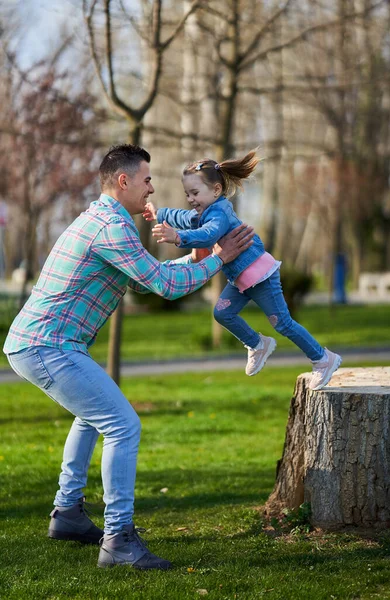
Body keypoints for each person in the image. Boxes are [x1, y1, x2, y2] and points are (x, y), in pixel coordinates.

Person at [3, 144, 254, 571]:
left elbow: (146, 282)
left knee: (93, 415)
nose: (152, 188)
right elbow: (165, 287)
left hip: (44, 343)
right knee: (123, 424)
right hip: (46, 345)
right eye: (147, 180)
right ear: (124, 181)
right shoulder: (111, 227)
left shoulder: (106, 221)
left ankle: (67, 514)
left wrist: (198, 257)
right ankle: (118, 539)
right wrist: (218, 258)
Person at [143, 150, 342, 387]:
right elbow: (186, 218)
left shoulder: (219, 212)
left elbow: (208, 235)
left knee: (283, 323)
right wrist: (160, 214)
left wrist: (178, 238)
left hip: (260, 276)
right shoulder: (204, 212)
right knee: (222, 313)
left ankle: (323, 358)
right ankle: (258, 344)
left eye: (195, 193)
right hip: (240, 280)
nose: (191, 199)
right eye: (188, 194)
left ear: (216, 190)